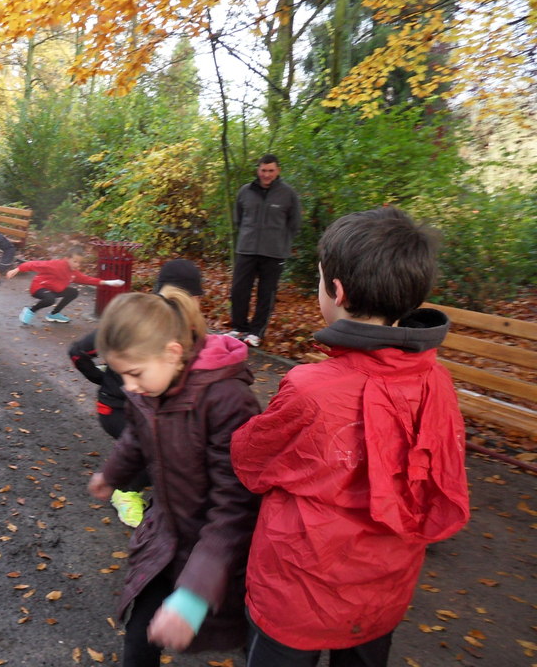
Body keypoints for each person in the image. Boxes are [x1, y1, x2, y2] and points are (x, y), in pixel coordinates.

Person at [231, 207, 470, 667]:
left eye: (320, 280)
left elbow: (250, 461)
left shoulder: (311, 388)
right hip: (382, 589)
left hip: (297, 588)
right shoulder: (437, 382)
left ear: (336, 291)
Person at [87, 286, 261, 666]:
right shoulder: (150, 388)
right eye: (121, 376)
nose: (129, 387)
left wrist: (194, 595)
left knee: (248, 638)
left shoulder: (227, 401)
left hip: (219, 553)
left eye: (134, 374)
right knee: (140, 635)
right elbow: (137, 436)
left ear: (172, 352)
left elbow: (236, 505)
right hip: (165, 539)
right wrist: (112, 474)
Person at [68, 259, 204, 528]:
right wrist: (103, 380)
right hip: (117, 408)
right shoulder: (139, 320)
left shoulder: (189, 328)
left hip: (155, 407)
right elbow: (78, 352)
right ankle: (126, 491)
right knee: (160, 447)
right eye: (197, 297)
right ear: (190, 296)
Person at [228, 154, 300, 348]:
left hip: (273, 253)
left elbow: (294, 224)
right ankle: (239, 327)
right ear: (258, 170)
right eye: (263, 170)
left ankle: (256, 332)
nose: (266, 174)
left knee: (266, 294)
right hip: (247, 249)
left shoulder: (288, 194)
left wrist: (280, 242)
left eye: (270, 170)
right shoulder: (245, 192)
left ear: (278, 171)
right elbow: (238, 219)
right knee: (239, 290)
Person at [7, 245, 124, 325]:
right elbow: (35, 264)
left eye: (79, 262)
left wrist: (109, 282)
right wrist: (18, 269)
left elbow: (87, 279)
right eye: (75, 261)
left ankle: (54, 314)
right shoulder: (56, 265)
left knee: (73, 292)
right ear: (67, 259)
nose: (77, 265)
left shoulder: (74, 272)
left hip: (54, 289)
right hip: (39, 287)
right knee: (50, 299)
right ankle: (30, 310)